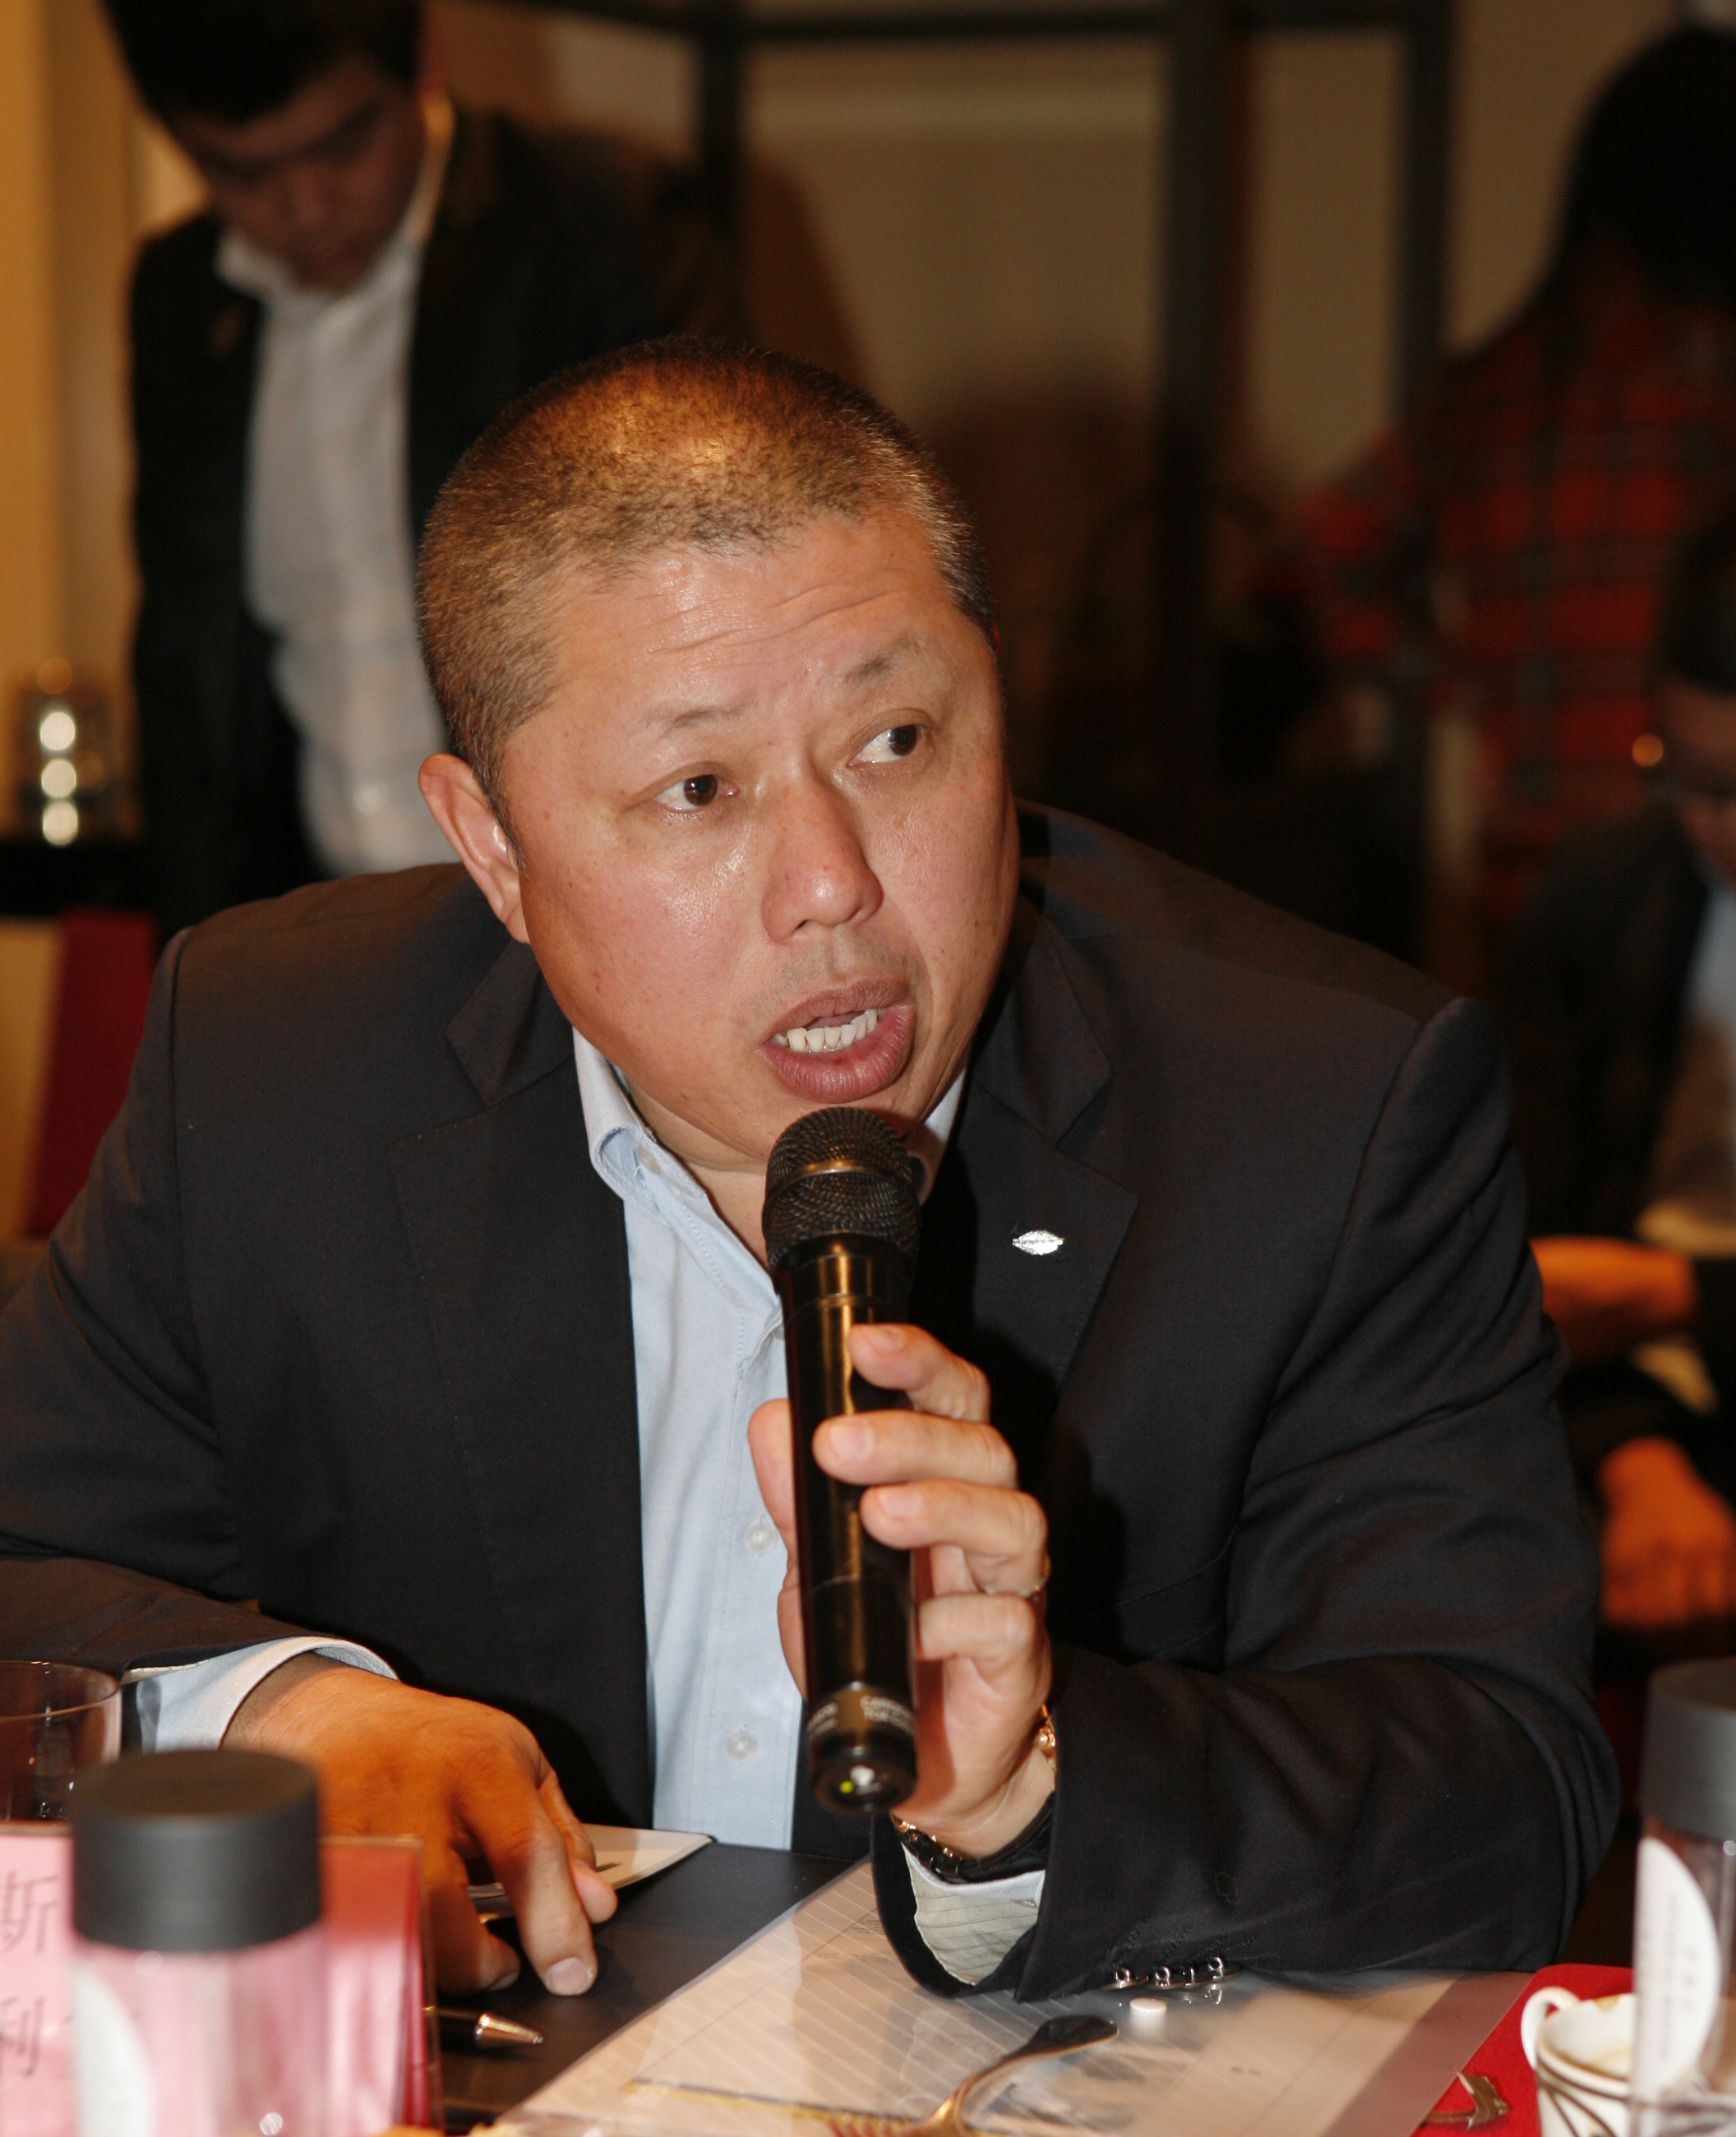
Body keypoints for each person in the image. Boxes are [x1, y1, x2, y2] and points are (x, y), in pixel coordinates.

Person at [0, 345, 1614, 2003]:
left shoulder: (1323, 1113)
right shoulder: (280, 1065)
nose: (830, 881)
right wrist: (280, 1706)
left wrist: (1034, 1780)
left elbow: (1509, 1790)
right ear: (493, 848)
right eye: (699, 789)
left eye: (898, 738)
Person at [104, 0, 724, 933]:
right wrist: (201, 961)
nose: (306, 207)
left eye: (344, 145)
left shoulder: (600, 226)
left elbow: (712, 598)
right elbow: (183, 673)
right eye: (241, 172)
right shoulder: (180, 297)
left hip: (582, 913)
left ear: (424, 60)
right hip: (314, 931)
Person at [1269, 25, 1736, 934]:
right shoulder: (1713, 381)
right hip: (1687, 875)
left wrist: (1468, 681)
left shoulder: (1496, 387)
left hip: (1532, 871)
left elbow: (1314, 562)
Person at [1500, 505, 1736, 1641]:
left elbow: (1621, 1287)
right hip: (1618, 1399)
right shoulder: (1605, 891)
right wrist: (1640, 1465)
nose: (1717, 828)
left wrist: (1678, 1294)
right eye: (1687, 777)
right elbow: (1532, 1244)